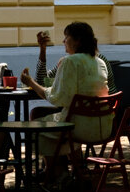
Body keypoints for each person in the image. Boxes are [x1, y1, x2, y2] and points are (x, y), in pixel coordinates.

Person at [20, 21, 111, 176]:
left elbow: (58, 98)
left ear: (77, 40)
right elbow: (46, 82)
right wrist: (43, 51)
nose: (63, 41)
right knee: (45, 115)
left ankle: (54, 172)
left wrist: (30, 83)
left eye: (66, 37)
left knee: (36, 127)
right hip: (102, 125)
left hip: (79, 126)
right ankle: (72, 170)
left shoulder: (70, 61)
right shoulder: (99, 61)